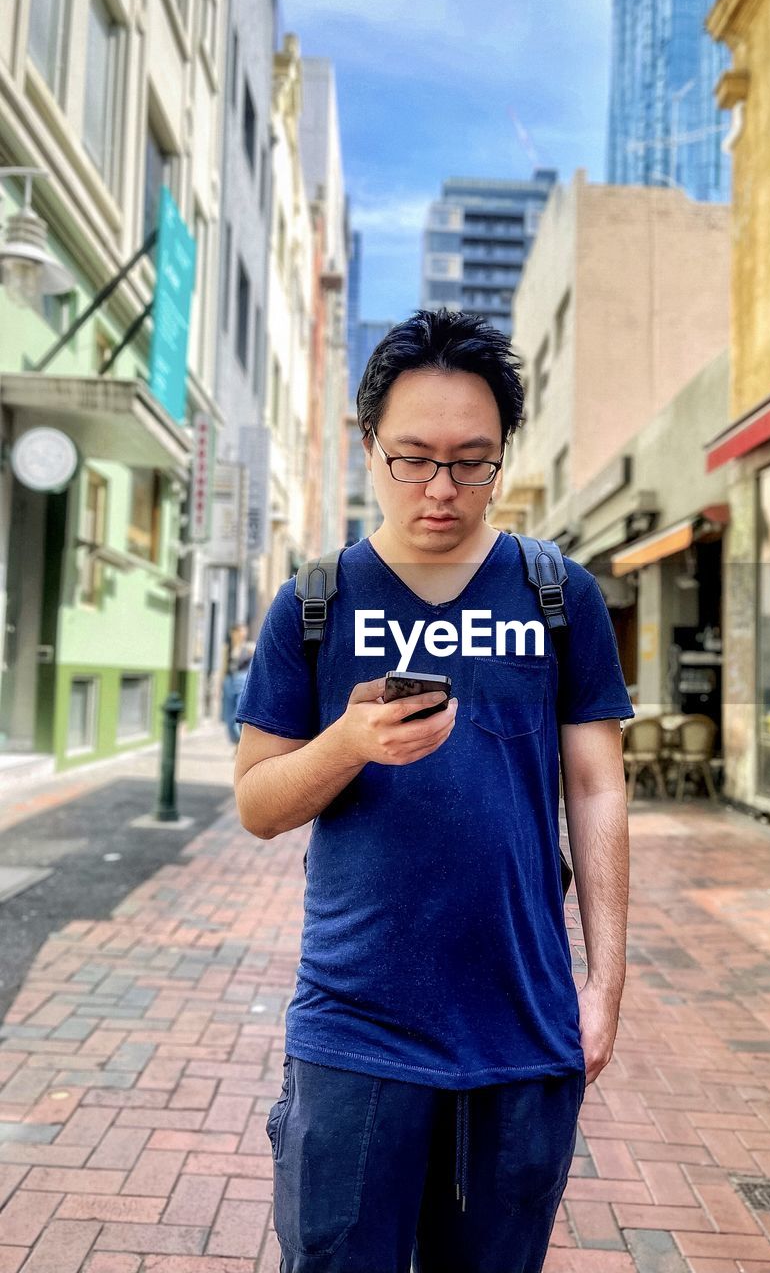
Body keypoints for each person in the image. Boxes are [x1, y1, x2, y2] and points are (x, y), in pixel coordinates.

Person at [233, 309, 634, 1273]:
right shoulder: (315, 603)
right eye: (414, 457)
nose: (442, 488)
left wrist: (605, 982)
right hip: (353, 1030)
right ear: (369, 445)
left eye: (472, 460)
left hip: (522, 1026)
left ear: (503, 459)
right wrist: (349, 741)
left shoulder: (558, 595)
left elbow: (597, 789)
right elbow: (258, 804)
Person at [222, 641, 255, 746]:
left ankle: (239, 741)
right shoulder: (229, 648)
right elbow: (225, 666)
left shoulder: (246, 647)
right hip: (233, 680)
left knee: (237, 711)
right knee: (232, 712)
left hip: (241, 681)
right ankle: (237, 741)